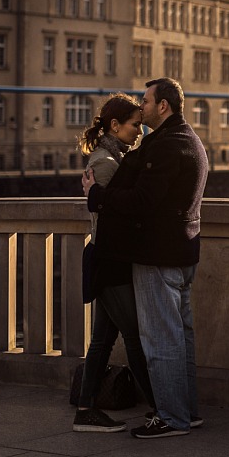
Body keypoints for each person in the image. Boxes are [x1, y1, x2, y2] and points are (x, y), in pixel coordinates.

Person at [83, 77, 208, 438]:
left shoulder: (165, 146)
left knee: (161, 341)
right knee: (181, 338)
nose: (143, 107)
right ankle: (187, 412)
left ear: (163, 106)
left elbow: (142, 201)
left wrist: (98, 197)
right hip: (184, 252)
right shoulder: (190, 141)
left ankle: (171, 418)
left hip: (159, 256)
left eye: (146, 101)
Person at [73, 94, 156, 432]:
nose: (139, 130)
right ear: (115, 126)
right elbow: (108, 215)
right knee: (133, 335)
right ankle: (160, 405)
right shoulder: (106, 161)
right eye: (135, 125)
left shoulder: (112, 155)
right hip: (110, 259)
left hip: (108, 257)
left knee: (102, 341)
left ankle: (86, 408)